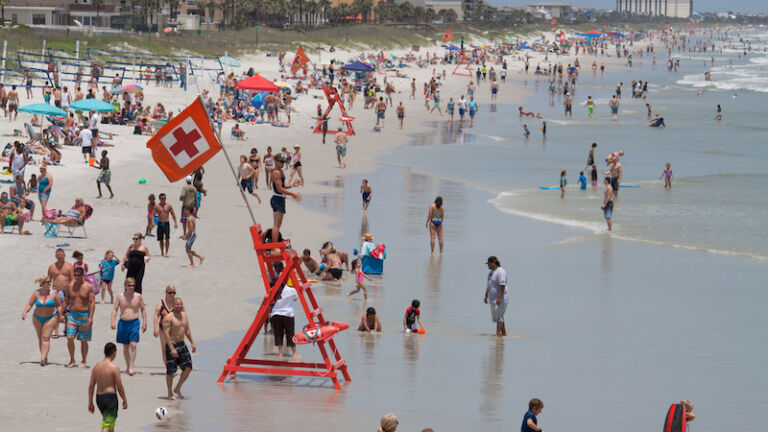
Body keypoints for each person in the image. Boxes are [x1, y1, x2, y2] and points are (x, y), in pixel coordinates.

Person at [21, 276, 64, 366]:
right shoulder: (36, 293)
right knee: (40, 338)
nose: (49, 283)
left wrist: (60, 315)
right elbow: (30, 304)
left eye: (50, 282)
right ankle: (44, 355)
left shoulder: (54, 293)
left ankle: (43, 358)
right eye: (47, 282)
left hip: (51, 317)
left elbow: (59, 305)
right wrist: (25, 312)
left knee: (46, 337)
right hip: (37, 317)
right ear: (42, 284)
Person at [110, 278, 147, 376]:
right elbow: (115, 309)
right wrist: (112, 322)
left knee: (133, 345)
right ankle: (127, 366)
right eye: (129, 285)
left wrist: (145, 323)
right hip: (123, 323)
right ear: (125, 286)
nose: (131, 287)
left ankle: (131, 367)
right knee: (125, 346)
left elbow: (143, 309)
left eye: (133, 285)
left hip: (134, 322)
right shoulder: (120, 296)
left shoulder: (138, 296)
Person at [88, 343, 127, 432]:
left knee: (109, 423)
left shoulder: (96, 367)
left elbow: (91, 386)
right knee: (107, 426)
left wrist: (90, 402)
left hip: (99, 399)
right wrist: (124, 399)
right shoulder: (114, 368)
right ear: (114, 353)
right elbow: (120, 387)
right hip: (110, 398)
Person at [162, 297, 195, 400]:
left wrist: (192, 343)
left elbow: (187, 330)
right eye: (177, 304)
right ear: (173, 305)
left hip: (182, 344)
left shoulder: (184, 315)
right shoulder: (168, 317)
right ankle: (170, 392)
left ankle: (178, 388)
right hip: (172, 344)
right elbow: (166, 334)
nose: (179, 306)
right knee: (171, 371)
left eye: (181, 304)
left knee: (188, 367)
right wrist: (172, 349)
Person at [66, 267, 95, 368]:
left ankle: (83, 360)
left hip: (84, 315)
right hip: (72, 315)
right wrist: (61, 313)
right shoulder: (70, 286)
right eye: (75, 275)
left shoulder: (88, 287)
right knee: (69, 338)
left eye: (78, 275)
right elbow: (66, 300)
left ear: (83, 276)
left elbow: (92, 303)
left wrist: (91, 317)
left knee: (83, 340)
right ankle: (72, 359)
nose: (76, 277)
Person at [270, 153, 301, 244]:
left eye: (284, 161)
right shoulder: (276, 172)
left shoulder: (280, 171)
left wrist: (292, 185)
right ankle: (274, 246)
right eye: (280, 161)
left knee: (278, 224)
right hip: (277, 199)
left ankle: (275, 244)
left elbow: (283, 185)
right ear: (276, 161)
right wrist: (292, 194)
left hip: (280, 199)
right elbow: (279, 189)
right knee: (276, 225)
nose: (283, 163)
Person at [268, 269, 299, 360]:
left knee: (278, 334)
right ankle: (294, 353)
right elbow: (295, 299)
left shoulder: (274, 289)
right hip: (288, 313)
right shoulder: (291, 289)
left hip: (275, 313)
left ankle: (280, 353)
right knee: (290, 334)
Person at [153, 285, 180, 364]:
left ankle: (174, 365)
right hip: (163, 330)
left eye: (174, 293)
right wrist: (155, 329)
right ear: (166, 293)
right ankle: (168, 368)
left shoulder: (177, 303)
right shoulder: (161, 303)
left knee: (174, 349)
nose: (172, 294)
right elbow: (156, 316)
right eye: (170, 292)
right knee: (165, 349)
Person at [484, 256, 508, 337]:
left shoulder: (501, 271)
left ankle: (497, 334)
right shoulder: (490, 273)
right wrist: (486, 295)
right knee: (497, 316)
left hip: (501, 298)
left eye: (489, 264)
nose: (488, 265)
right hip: (492, 299)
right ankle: (504, 333)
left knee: (499, 316)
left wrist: (498, 298)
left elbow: (502, 285)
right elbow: (489, 284)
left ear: (494, 263)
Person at [153, 193, 178, 257]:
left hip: (166, 223)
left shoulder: (168, 206)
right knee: (161, 239)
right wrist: (152, 222)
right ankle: (162, 252)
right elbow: (153, 214)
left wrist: (175, 222)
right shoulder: (157, 206)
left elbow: (173, 214)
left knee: (167, 238)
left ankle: (166, 252)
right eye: (162, 198)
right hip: (160, 223)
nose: (163, 200)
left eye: (165, 198)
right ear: (159, 199)